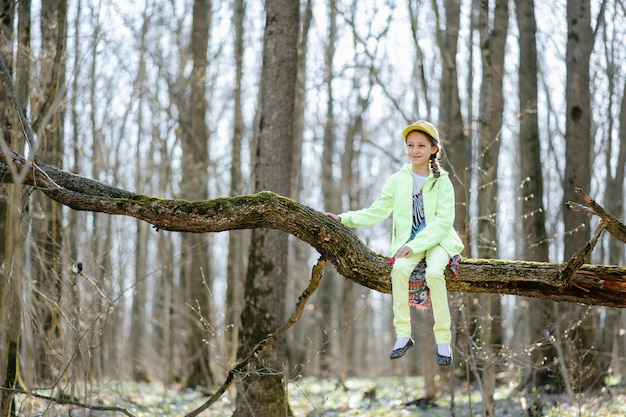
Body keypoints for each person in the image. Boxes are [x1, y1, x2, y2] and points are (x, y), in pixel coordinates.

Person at [325, 120, 464, 366]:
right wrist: (344, 219)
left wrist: (418, 245)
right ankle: (403, 335)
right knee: (399, 270)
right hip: (408, 242)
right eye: (410, 145)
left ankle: (443, 340)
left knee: (433, 274)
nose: (415, 150)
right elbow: (377, 211)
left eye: (421, 145)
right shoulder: (397, 180)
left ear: (434, 149)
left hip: (438, 241)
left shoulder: (442, 181)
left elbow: (443, 221)